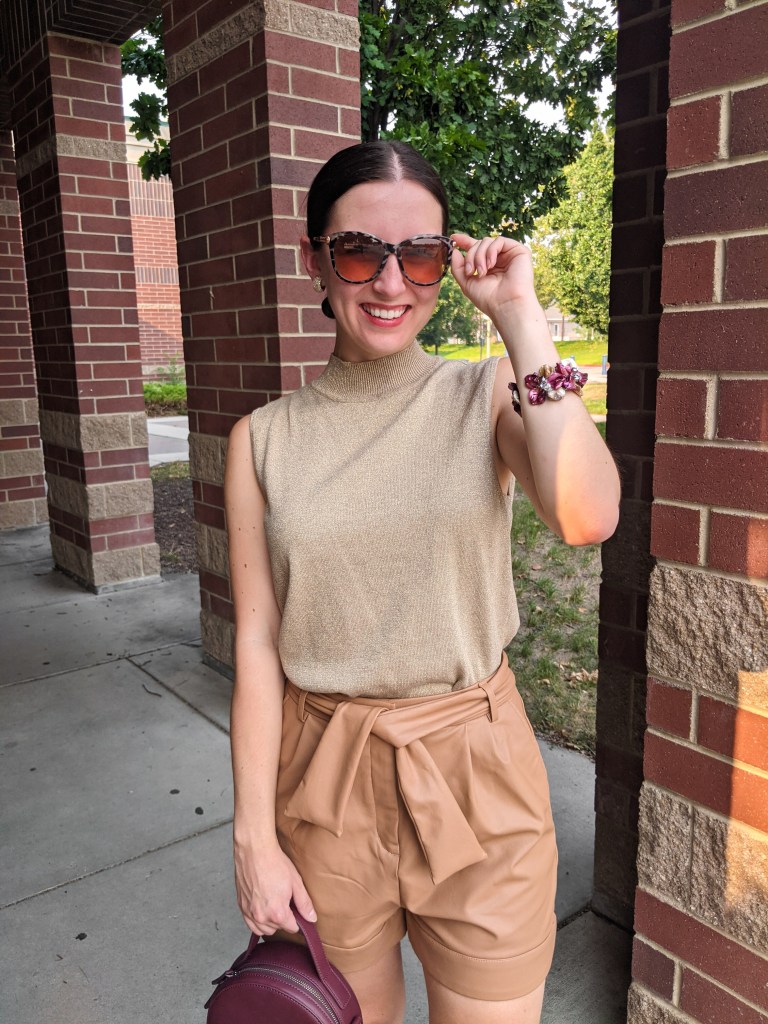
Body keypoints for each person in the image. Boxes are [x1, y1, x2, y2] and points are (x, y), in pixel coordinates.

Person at [223, 140, 620, 1024]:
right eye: (359, 252)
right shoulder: (260, 441)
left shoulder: (484, 397)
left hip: (479, 775)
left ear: (448, 264)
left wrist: (521, 317)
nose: (391, 284)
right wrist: (252, 833)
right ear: (314, 263)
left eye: (423, 256)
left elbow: (588, 517)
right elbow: (257, 644)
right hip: (325, 779)